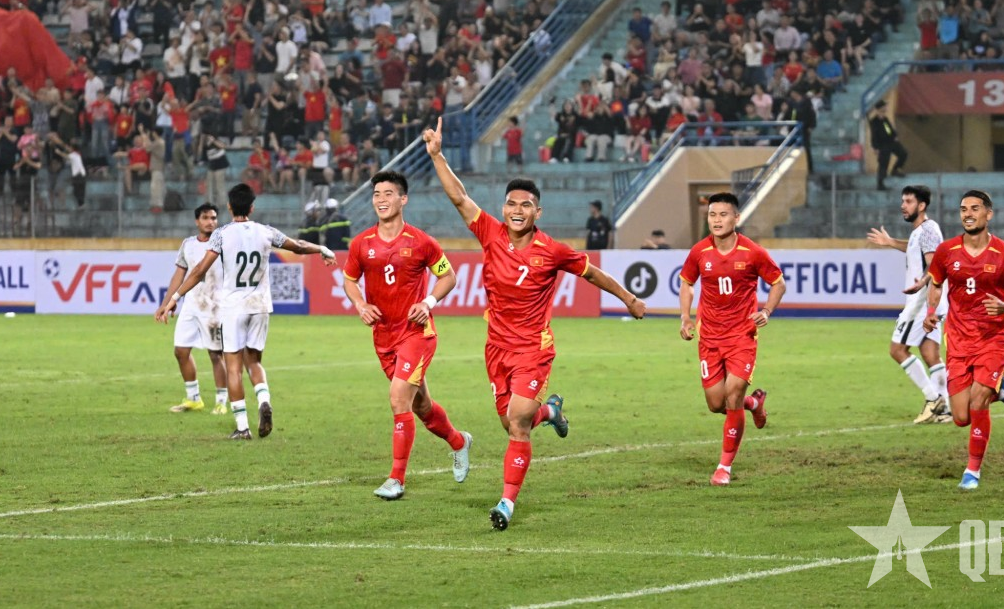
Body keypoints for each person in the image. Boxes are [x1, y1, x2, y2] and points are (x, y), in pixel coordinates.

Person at [422, 117, 646, 530]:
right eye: (512, 204)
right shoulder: (490, 233)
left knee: (518, 421)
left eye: (526, 205)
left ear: (537, 212)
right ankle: (552, 410)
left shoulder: (552, 250)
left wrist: (628, 298)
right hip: (496, 349)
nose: (517, 210)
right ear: (504, 209)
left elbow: (593, 273)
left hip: (533, 349)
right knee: (511, 421)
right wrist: (437, 156)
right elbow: (460, 198)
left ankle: (506, 503)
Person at [156, 183, 337, 440]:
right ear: (252, 207)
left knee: (233, 367)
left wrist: (175, 297)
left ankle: (242, 427)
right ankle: (264, 400)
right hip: (260, 306)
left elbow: (198, 271)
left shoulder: (221, 234)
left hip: (233, 308)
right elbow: (297, 245)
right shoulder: (266, 231)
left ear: (229, 206)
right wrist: (322, 249)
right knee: (254, 362)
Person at [343, 171, 472, 500]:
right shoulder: (361, 244)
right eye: (376, 194)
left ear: (403, 199)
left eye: (388, 193)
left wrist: (428, 303)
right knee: (422, 406)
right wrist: (360, 304)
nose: (381, 199)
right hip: (384, 337)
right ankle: (459, 442)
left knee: (398, 397)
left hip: (417, 334)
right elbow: (349, 280)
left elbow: (449, 277)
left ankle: (396, 480)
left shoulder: (421, 242)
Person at [918, 190, 1004, 491]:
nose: (968, 214)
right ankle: (1001, 388)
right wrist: (931, 313)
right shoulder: (946, 251)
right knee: (960, 417)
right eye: (963, 209)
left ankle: (972, 471)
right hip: (958, 340)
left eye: (975, 208)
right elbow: (936, 284)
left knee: (979, 399)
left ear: (988, 214)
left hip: (993, 339)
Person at [678, 192, 786, 486]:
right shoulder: (700, 251)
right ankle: (754, 404)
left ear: (736, 218)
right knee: (716, 404)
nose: (717, 220)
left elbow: (778, 283)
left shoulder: (753, 252)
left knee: (733, 394)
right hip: (709, 338)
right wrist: (685, 317)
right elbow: (686, 282)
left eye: (723, 215)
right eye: (712, 215)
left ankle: (723, 467)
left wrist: (766, 311)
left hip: (742, 336)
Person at [866, 185, 951, 424]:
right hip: (931, 301)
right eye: (903, 201)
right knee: (930, 353)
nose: (903, 205)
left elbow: (934, 264)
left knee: (897, 350)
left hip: (922, 302)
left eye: (909, 201)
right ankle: (945, 410)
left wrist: (921, 283)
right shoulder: (920, 232)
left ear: (921, 205)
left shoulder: (928, 229)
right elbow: (917, 248)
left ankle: (933, 399)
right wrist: (890, 241)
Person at [163, 203, 229, 415]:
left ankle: (221, 402)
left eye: (213, 218)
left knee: (216, 354)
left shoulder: (224, 243)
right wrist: (166, 303)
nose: (210, 222)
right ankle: (193, 398)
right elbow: (179, 274)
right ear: (197, 221)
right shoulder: (188, 244)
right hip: (191, 305)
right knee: (181, 350)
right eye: (206, 218)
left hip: (215, 306)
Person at [868, 99, 907, 191]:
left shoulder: (885, 119)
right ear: (879, 109)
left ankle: (895, 169)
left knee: (903, 153)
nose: (885, 108)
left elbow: (890, 130)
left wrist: (895, 136)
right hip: (882, 144)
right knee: (883, 163)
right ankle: (880, 183)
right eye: (884, 107)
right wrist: (875, 147)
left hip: (891, 142)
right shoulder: (874, 121)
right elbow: (874, 135)